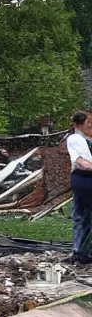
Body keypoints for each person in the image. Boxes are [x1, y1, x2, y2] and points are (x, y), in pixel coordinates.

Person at [66, 112, 92, 262]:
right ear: (78, 124)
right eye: (88, 122)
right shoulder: (75, 139)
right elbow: (81, 162)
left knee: (85, 216)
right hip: (84, 179)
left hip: (86, 179)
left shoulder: (85, 140)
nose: (90, 125)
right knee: (83, 216)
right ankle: (81, 252)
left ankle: (83, 250)